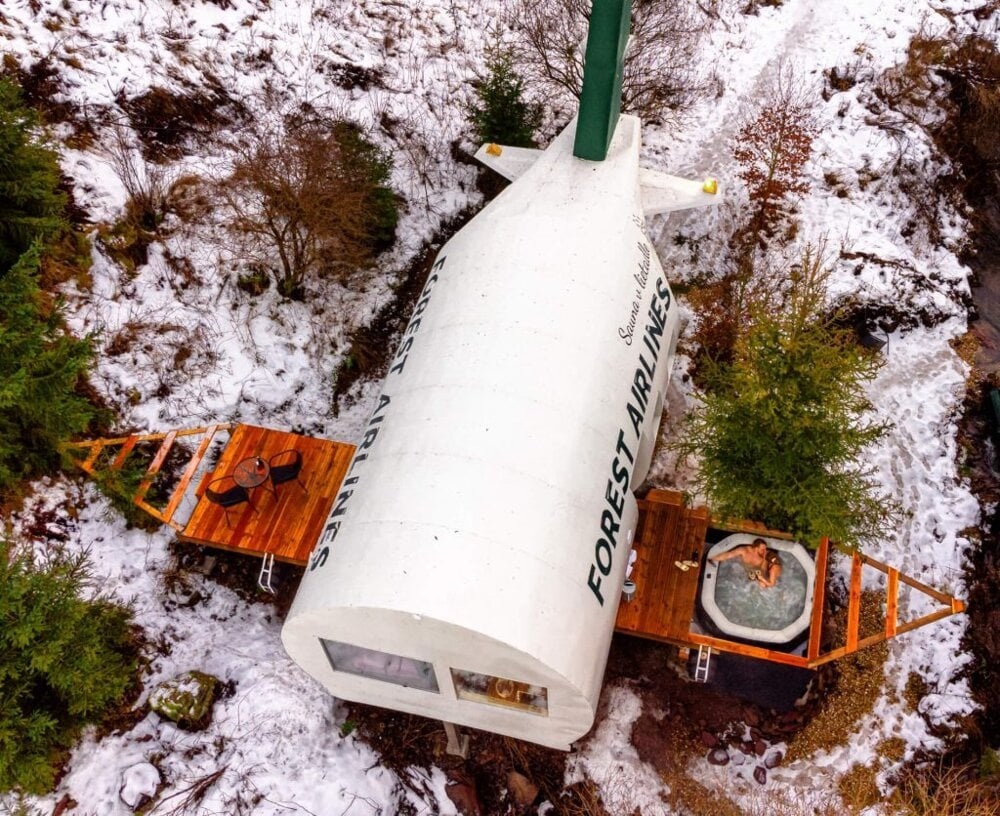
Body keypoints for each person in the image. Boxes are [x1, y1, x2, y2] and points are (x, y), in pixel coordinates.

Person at [710, 537, 782, 588]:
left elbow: (763, 571)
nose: (765, 551)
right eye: (763, 549)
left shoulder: (764, 557)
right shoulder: (744, 550)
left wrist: (764, 560)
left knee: (762, 585)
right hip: (743, 571)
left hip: (754, 574)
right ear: (756, 548)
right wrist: (714, 559)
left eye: (765, 549)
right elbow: (729, 554)